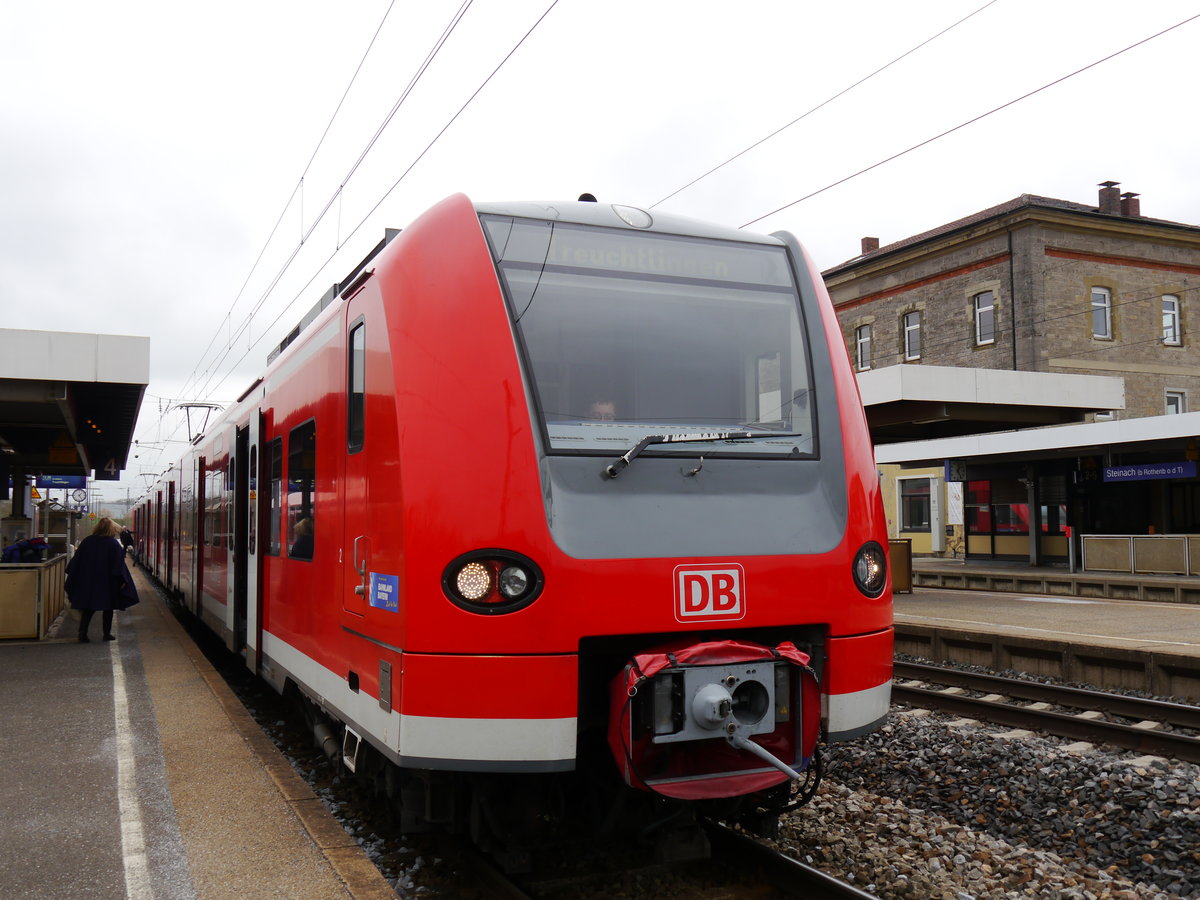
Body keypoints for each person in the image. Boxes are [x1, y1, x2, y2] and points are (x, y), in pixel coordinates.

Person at [66, 517, 139, 643]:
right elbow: (118, 565)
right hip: (107, 582)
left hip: (88, 580)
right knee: (108, 608)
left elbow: (76, 562)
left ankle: (82, 633)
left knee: (88, 608)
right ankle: (106, 634)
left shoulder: (87, 541)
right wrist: (122, 581)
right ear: (111, 529)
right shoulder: (112, 544)